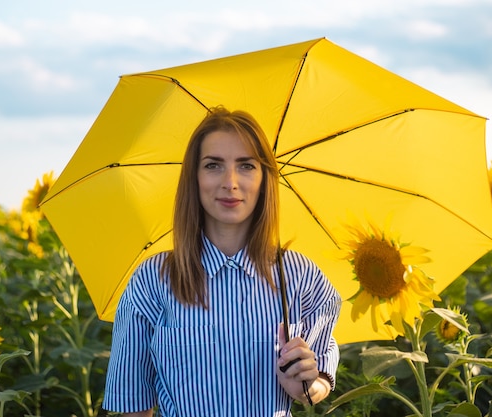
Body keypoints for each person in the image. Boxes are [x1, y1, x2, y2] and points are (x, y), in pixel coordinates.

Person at [103, 107, 341, 416]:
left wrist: (305, 386)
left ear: (264, 178)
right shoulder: (153, 280)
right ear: (194, 177)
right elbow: (132, 405)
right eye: (213, 165)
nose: (230, 182)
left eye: (246, 166)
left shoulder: (301, 277)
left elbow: (318, 382)